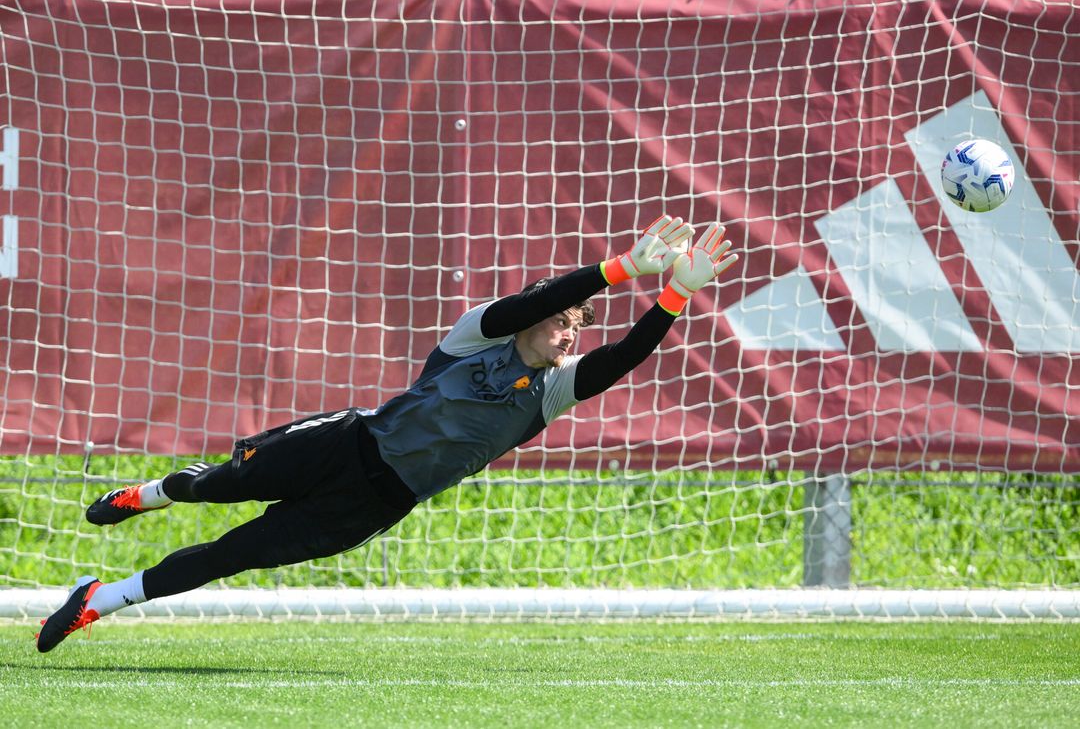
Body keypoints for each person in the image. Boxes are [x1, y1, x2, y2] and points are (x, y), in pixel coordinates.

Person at [35, 216, 737, 652]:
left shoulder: (549, 393)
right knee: (219, 484)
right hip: (345, 441)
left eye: (574, 329)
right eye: (561, 322)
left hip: (373, 502)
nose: (566, 333)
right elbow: (534, 300)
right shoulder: (474, 338)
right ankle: (149, 494)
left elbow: (616, 362)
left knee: (233, 555)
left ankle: (100, 598)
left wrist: (673, 296)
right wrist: (623, 270)